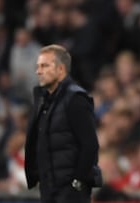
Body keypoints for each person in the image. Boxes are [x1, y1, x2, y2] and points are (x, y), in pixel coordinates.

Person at [24, 44, 102, 203]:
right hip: (49, 187)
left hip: (69, 191)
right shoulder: (43, 101)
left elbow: (90, 144)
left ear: (61, 69)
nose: (38, 71)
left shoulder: (75, 99)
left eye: (45, 66)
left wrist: (77, 181)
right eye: (38, 66)